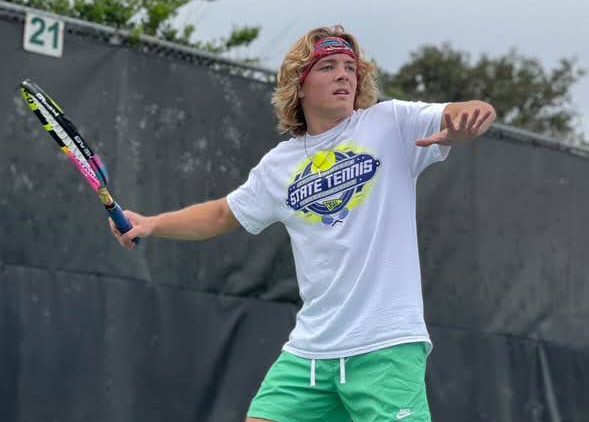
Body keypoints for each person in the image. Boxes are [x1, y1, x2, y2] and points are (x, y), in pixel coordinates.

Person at [111, 25, 496, 422]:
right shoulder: (279, 165)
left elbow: (452, 114)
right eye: (328, 66)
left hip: (386, 346)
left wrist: (471, 113)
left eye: (351, 67)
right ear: (299, 84)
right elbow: (223, 214)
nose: (344, 74)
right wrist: (153, 224)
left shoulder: (390, 124)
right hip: (311, 354)